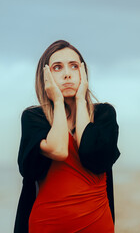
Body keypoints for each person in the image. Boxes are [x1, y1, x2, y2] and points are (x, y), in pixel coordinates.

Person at [14, 40, 121, 233]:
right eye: (57, 67)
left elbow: (91, 155)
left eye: (74, 66)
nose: (67, 74)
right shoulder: (34, 118)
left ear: (84, 73)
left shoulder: (104, 114)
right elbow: (59, 150)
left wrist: (80, 99)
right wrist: (56, 100)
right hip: (46, 225)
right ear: (45, 76)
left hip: (96, 224)